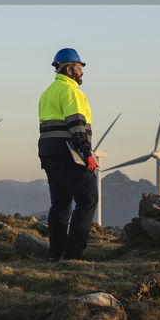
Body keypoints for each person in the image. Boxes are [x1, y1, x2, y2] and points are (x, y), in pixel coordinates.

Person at [37, 47, 98, 261]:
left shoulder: (47, 93)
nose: (82, 72)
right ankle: (72, 254)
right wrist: (88, 154)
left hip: (49, 156)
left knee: (60, 205)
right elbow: (76, 127)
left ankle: (56, 254)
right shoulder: (71, 92)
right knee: (88, 199)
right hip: (69, 155)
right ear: (69, 69)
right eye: (80, 67)